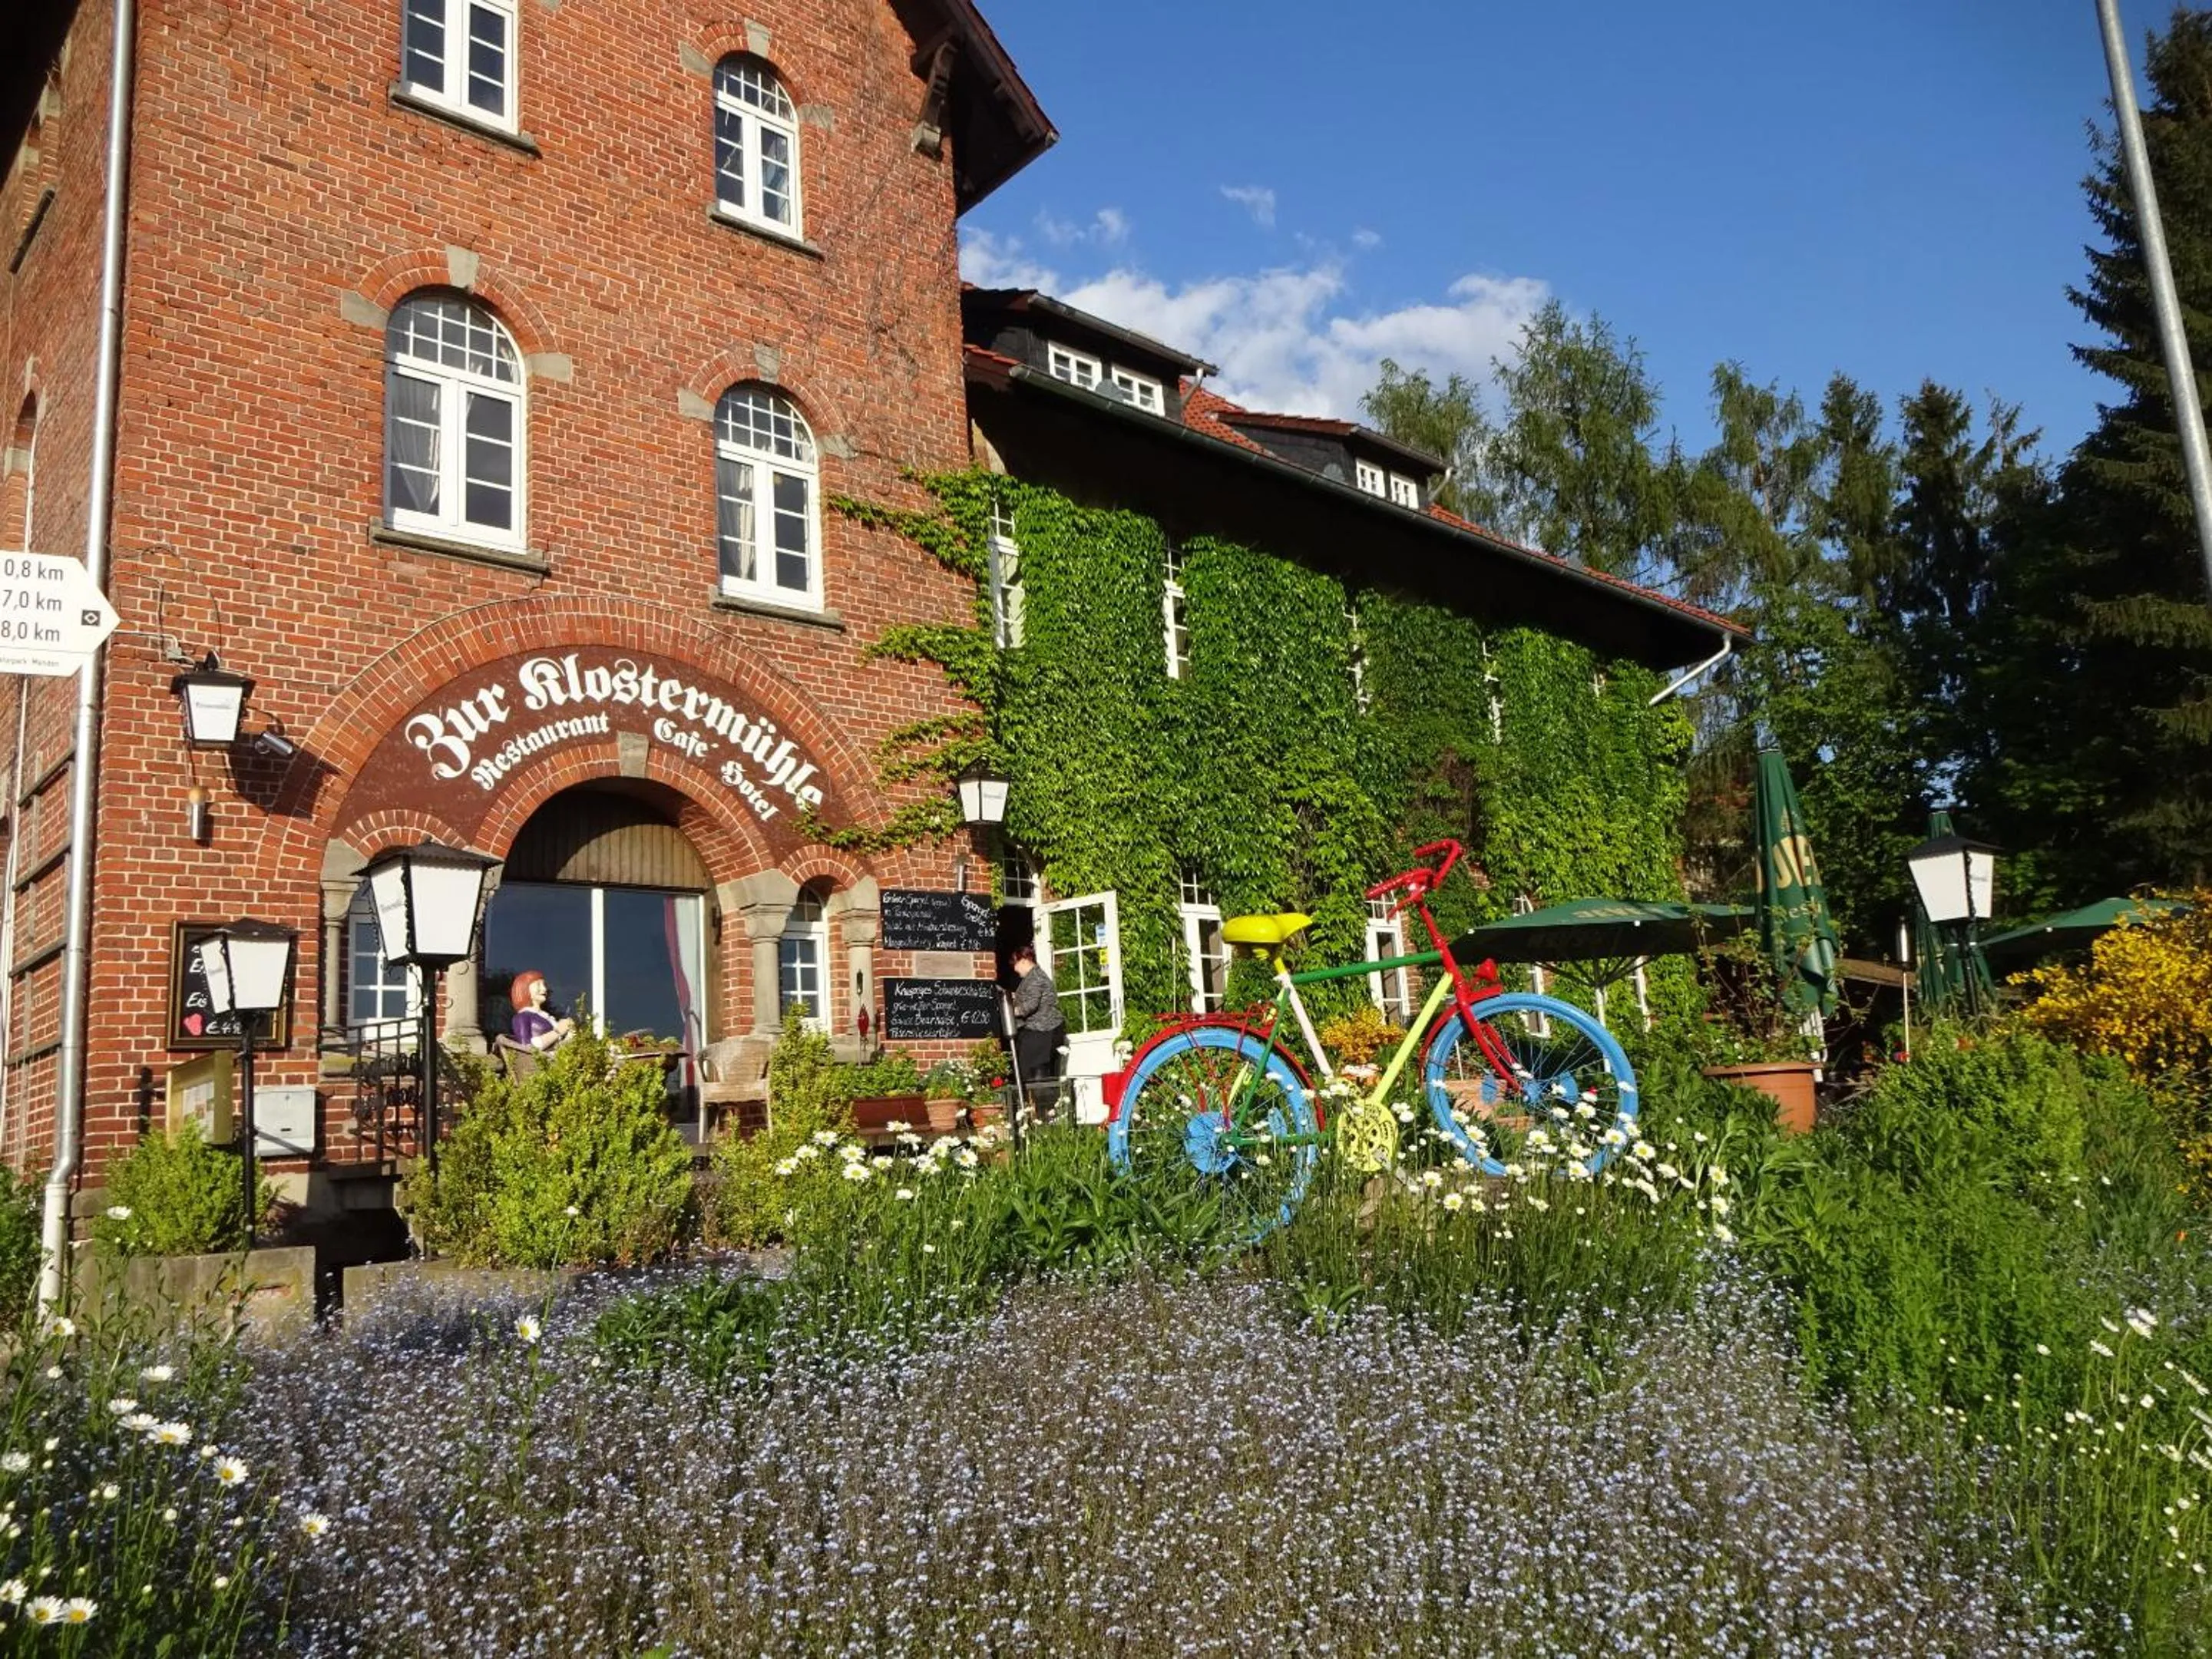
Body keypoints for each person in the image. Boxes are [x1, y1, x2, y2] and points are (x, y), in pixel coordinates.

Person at [1006, 944, 1066, 1120]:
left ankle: (1044, 1115)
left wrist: (1011, 1008)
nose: (1015, 970)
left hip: (1043, 1031)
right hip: (1040, 1031)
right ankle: (1040, 1113)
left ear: (1024, 960)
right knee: (1035, 1072)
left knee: (1038, 1074)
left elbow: (1028, 1007)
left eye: (1015, 964)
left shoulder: (1036, 978)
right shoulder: (1033, 978)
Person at [509, 970, 576, 1051]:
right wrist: (558, 1032)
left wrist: (570, 1032)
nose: (544, 989)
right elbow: (525, 1049)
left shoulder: (547, 1017)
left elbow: (559, 1050)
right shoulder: (522, 1017)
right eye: (538, 985)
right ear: (525, 988)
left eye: (544, 985)